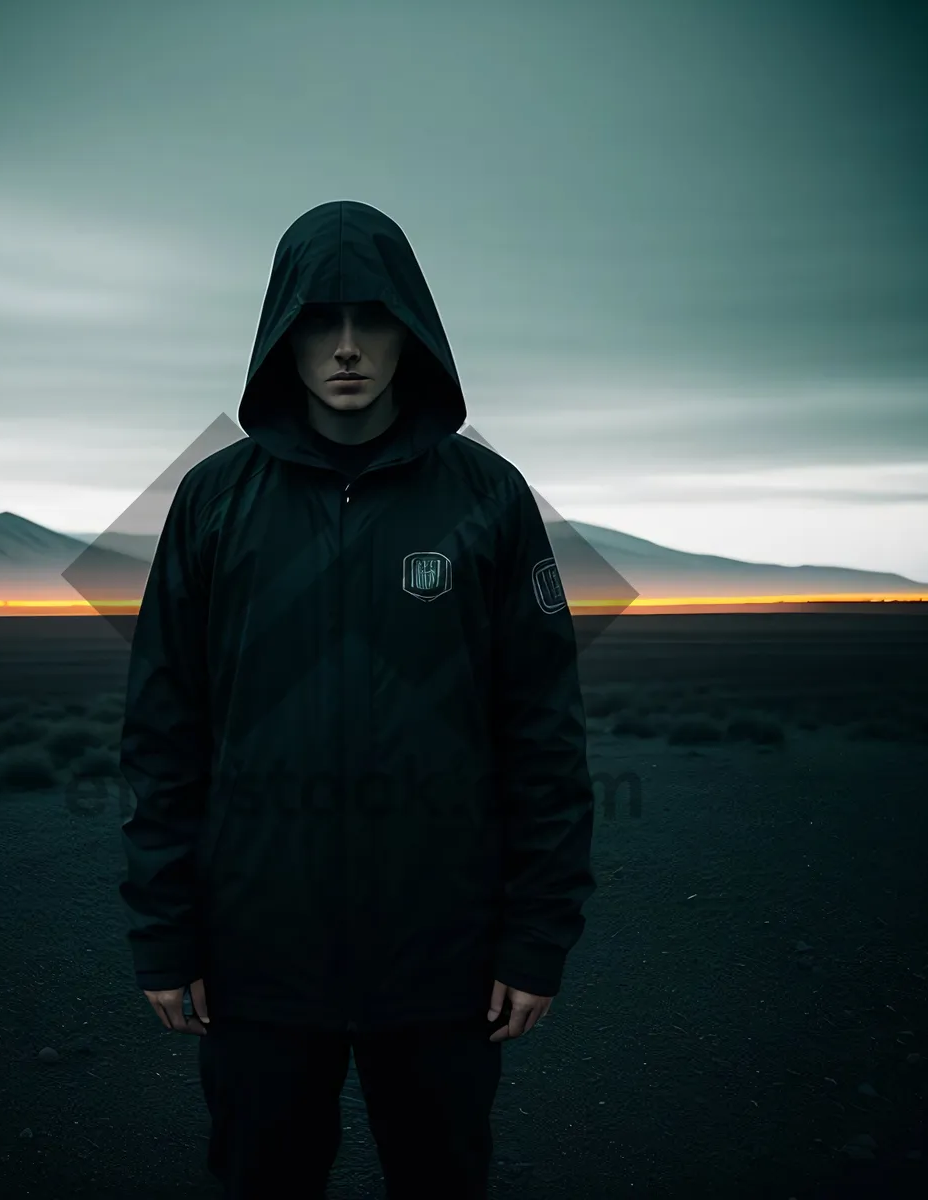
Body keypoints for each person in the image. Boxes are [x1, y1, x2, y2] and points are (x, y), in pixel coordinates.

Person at [119, 199, 597, 1199]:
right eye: (319, 321)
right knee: (262, 1180)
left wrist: (535, 936)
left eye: (371, 319)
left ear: (411, 329)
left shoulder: (488, 500)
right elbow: (166, 733)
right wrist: (166, 934)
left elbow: (542, 733)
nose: (346, 348)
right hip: (260, 961)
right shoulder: (214, 503)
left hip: (442, 961)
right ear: (280, 335)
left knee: (442, 1180)